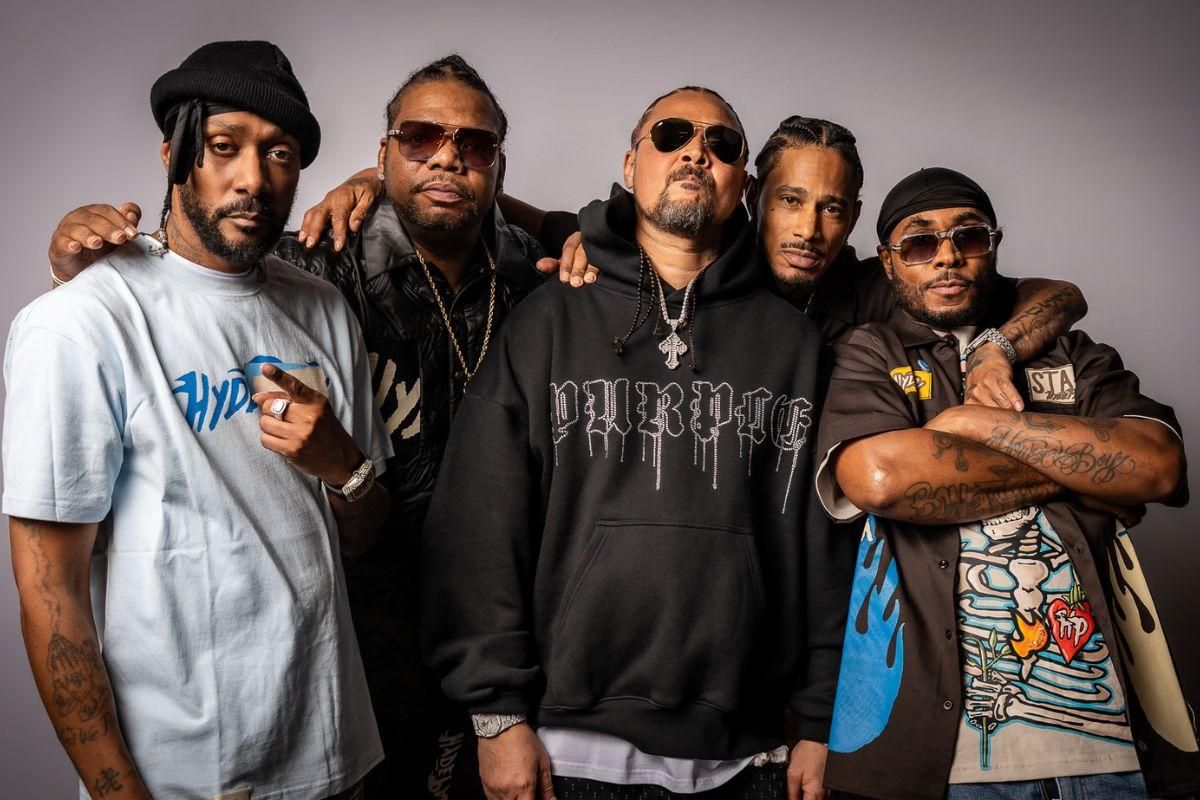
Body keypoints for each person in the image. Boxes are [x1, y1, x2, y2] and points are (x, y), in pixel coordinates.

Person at [42, 54, 548, 799]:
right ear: (382, 152)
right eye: (419, 137)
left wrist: (572, 236)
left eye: (475, 145)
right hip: (362, 662)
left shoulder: (541, 275)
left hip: (497, 650)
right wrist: (83, 272)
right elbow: (199, 277)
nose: (447, 156)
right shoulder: (318, 261)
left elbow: (633, 232)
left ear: (499, 164)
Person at [420, 85, 845, 800]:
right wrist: (495, 714)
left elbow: (829, 551)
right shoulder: (547, 321)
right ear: (629, 164)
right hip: (563, 750)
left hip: (749, 757)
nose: (697, 153)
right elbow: (477, 528)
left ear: (744, 182)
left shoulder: (795, 346)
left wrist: (823, 720)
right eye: (672, 135)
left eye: (722, 145)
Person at [5, 40, 390, 800]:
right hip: (188, 776)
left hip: (335, 756)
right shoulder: (81, 322)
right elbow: (52, 598)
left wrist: (343, 465)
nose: (253, 179)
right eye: (223, 146)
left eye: (279, 154)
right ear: (174, 154)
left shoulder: (323, 308)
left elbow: (366, 535)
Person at [813, 167, 1197, 799]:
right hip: (948, 761)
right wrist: (1084, 474)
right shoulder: (873, 351)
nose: (947, 257)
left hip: (1115, 748)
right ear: (887, 262)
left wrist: (973, 424)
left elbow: (1158, 465)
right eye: (920, 243)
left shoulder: (1071, 352)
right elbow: (880, 479)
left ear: (993, 246)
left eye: (968, 237)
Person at [287, 116, 1085, 409]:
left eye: (834, 208)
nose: (810, 228)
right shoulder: (676, 256)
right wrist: (380, 179)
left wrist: (998, 349)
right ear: (753, 197)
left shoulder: (873, 281)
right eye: (792, 200)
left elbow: (1059, 293)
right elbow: (523, 212)